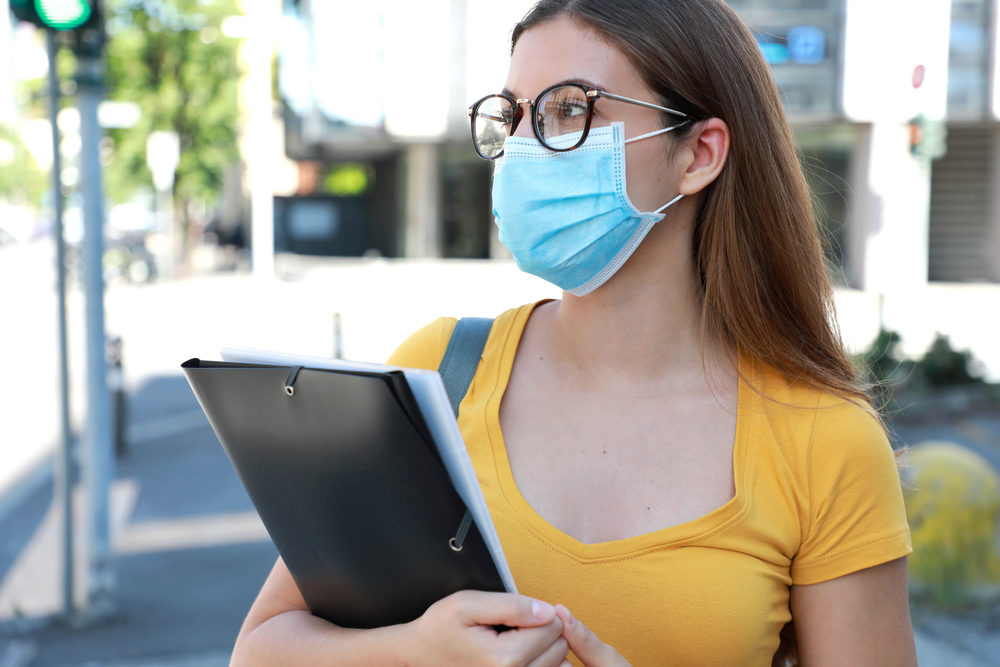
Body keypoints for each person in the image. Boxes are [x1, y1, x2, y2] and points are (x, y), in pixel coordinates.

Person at [231, 0, 916, 664]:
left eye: (570, 109)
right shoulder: (437, 372)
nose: (524, 148)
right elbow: (261, 649)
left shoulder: (826, 442)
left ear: (700, 152)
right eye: (513, 115)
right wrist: (412, 653)